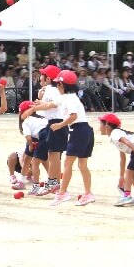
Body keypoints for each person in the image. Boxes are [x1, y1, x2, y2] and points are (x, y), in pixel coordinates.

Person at [48, 70, 96, 206]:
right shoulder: (71, 97)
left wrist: (60, 125)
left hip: (78, 130)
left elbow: (73, 116)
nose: (57, 86)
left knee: (68, 163)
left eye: (58, 84)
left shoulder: (69, 98)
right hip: (86, 130)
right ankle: (88, 193)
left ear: (63, 85)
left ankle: (62, 193)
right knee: (82, 165)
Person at [21, 65, 64, 196]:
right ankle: (55, 184)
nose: (40, 77)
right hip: (56, 124)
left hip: (54, 124)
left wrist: (34, 108)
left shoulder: (50, 89)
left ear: (48, 78)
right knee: (54, 156)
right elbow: (49, 108)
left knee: (53, 156)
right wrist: (40, 102)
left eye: (42, 75)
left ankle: (52, 183)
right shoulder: (50, 90)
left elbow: (55, 104)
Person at [98, 113, 134, 206]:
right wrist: (121, 177)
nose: (99, 127)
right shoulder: (116, 135)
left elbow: (127, 142)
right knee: (133, 174)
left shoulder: (115, 133)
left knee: (129, 172)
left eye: (100, 124)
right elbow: (122, 158)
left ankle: (126, 196)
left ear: (107, 125)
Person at [16, 100, 48, 195]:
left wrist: (30, 146)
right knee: (28, 158)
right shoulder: (42, 118)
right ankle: (21, 180)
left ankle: (36, 186)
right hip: (46, 135)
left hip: (41, 137)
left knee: (35, 162)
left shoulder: (26, 121)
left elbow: (28, 138)